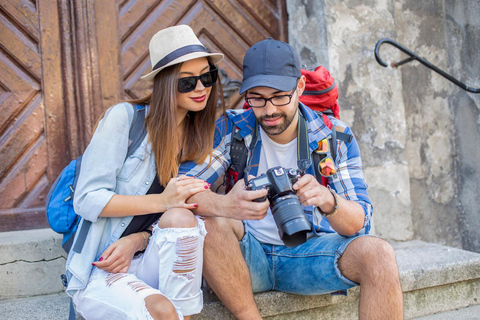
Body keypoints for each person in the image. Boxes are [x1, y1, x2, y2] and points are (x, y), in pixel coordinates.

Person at [179, 38, 404, 319]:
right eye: (257, 98)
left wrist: (329, 201)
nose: (269, 109)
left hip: (310, 255)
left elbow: (361, 222)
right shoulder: (233, 128)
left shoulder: (334, 135)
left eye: (279, 96)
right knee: (209, 221)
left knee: (379, 254)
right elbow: (182, 190)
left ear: (299, 87)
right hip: (246, 258)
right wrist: (227, 205)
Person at [65, 25, 224, 320]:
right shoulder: (125, 120)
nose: (201, 88)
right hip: (102, 265)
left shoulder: (199, 137)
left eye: (207, 76)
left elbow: (185, 219)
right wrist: (162, 201)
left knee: (182, 217)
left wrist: (138, 240)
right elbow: (87, 199)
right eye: (187, 82)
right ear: (164, 83)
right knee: (163, 311)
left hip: (151, 255)